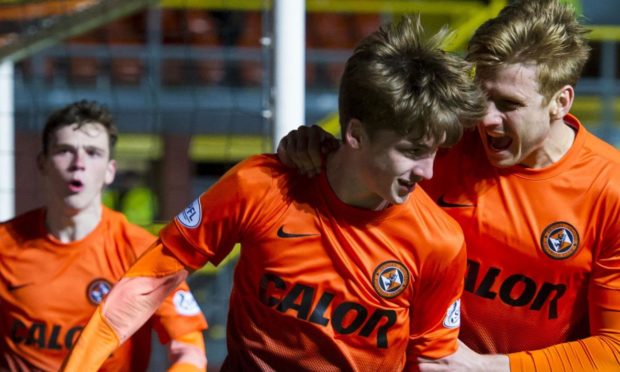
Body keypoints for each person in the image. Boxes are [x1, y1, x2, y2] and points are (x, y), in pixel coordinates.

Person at [61, 16, 488, 370]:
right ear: (355, 134)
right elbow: (149, 281)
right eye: (412, 152)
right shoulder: (261, 186)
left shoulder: (439, 241)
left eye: (433, 152)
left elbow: (432, 362)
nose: (427, 171)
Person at [276, 0, 620, 370]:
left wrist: (491, 368)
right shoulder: (441, 142)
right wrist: (313, 150)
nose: (486, 118)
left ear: (560, 102)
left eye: (509, 104)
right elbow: (358, 164)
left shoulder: (609, 189)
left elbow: (614, 349)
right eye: (481, 95)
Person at [0, 100, 208, 371]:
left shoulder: (142, 251)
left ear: (110, 170)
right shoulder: (5, 244)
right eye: (65, 151)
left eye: (93, 152)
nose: (78, 164)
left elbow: (189, 349)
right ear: (42, 163)